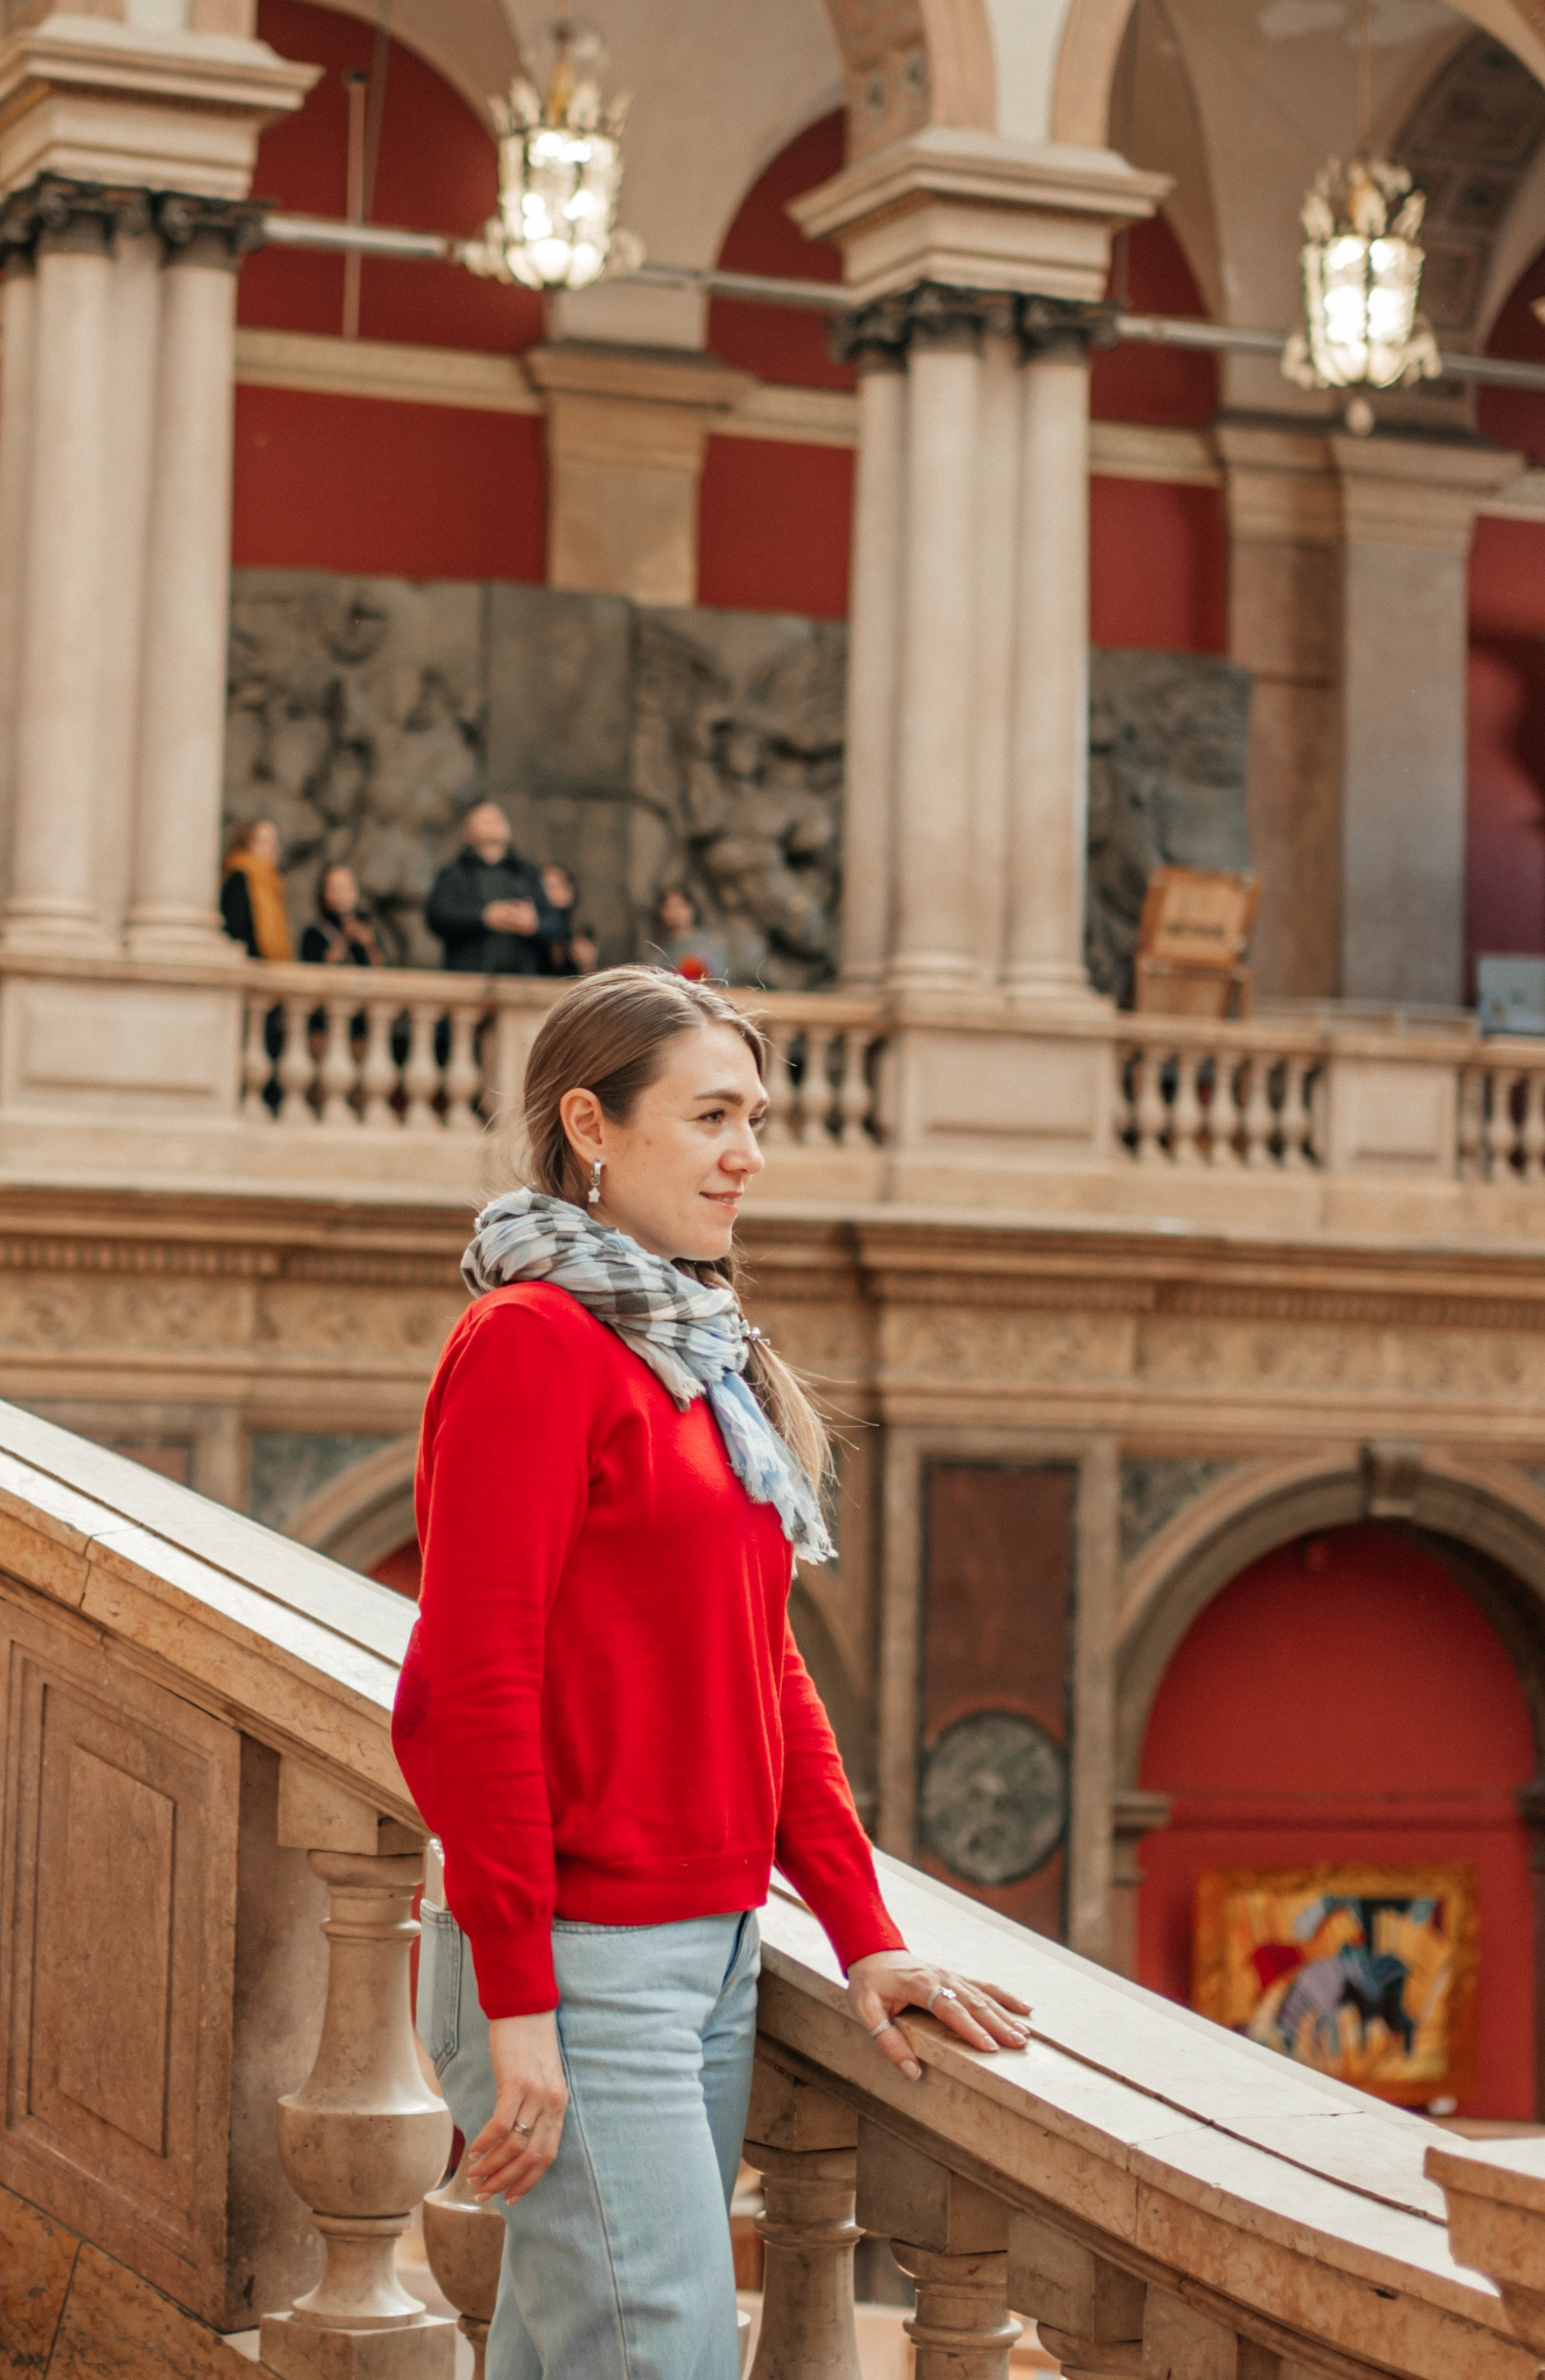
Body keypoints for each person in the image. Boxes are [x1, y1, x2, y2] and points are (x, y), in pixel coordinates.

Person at [398, 969, 1030, 2380]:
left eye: (756, 1116)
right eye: (713, 1115)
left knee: (585, 2349)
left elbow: (767, 1670)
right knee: (659, 2351)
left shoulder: (697, 1347)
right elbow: (473, 1682)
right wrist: (516, 2001)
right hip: (575, 1957)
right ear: (591, 1125)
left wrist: (862, 1927)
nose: (750, 1151)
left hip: (709, 1942)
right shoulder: (530, 1344)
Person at [426, 802, 567, 976]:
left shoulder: (526, 873)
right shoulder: (454, 874)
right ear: (467, 833)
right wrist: (483, 916)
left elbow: (556, 924)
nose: (494, 824)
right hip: (468, 978)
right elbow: (437, 916)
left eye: (499, 819)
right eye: (485, 820)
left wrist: (534, 924)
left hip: (521, 982)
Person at [221, 817, 292, 962]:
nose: (273, 848)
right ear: (248, 844)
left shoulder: (274, 883)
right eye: (265, 841)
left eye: (274, 842)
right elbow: (235, 928)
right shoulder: (239, 878)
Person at [300, 862, 386, 968]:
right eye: (335, 889)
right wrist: (344, 940)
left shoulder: (367, 925)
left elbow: (382, 968)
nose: (341, 894)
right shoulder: (314, 933)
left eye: (346, 888)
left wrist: (369, 944)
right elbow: (317, 969)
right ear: (324, 893)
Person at [654, 884, 728, 983]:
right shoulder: (658, 952)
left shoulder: (708, 944)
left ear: (691, 908)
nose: (675, 912)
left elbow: (722, 977)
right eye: (669, 907)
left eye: (680, 906)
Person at [540, 865, 599, 979]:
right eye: (545, 886)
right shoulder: (530, 933)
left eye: (558, 885)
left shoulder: (580, 934)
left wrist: (587, 963)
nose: (552, 892)